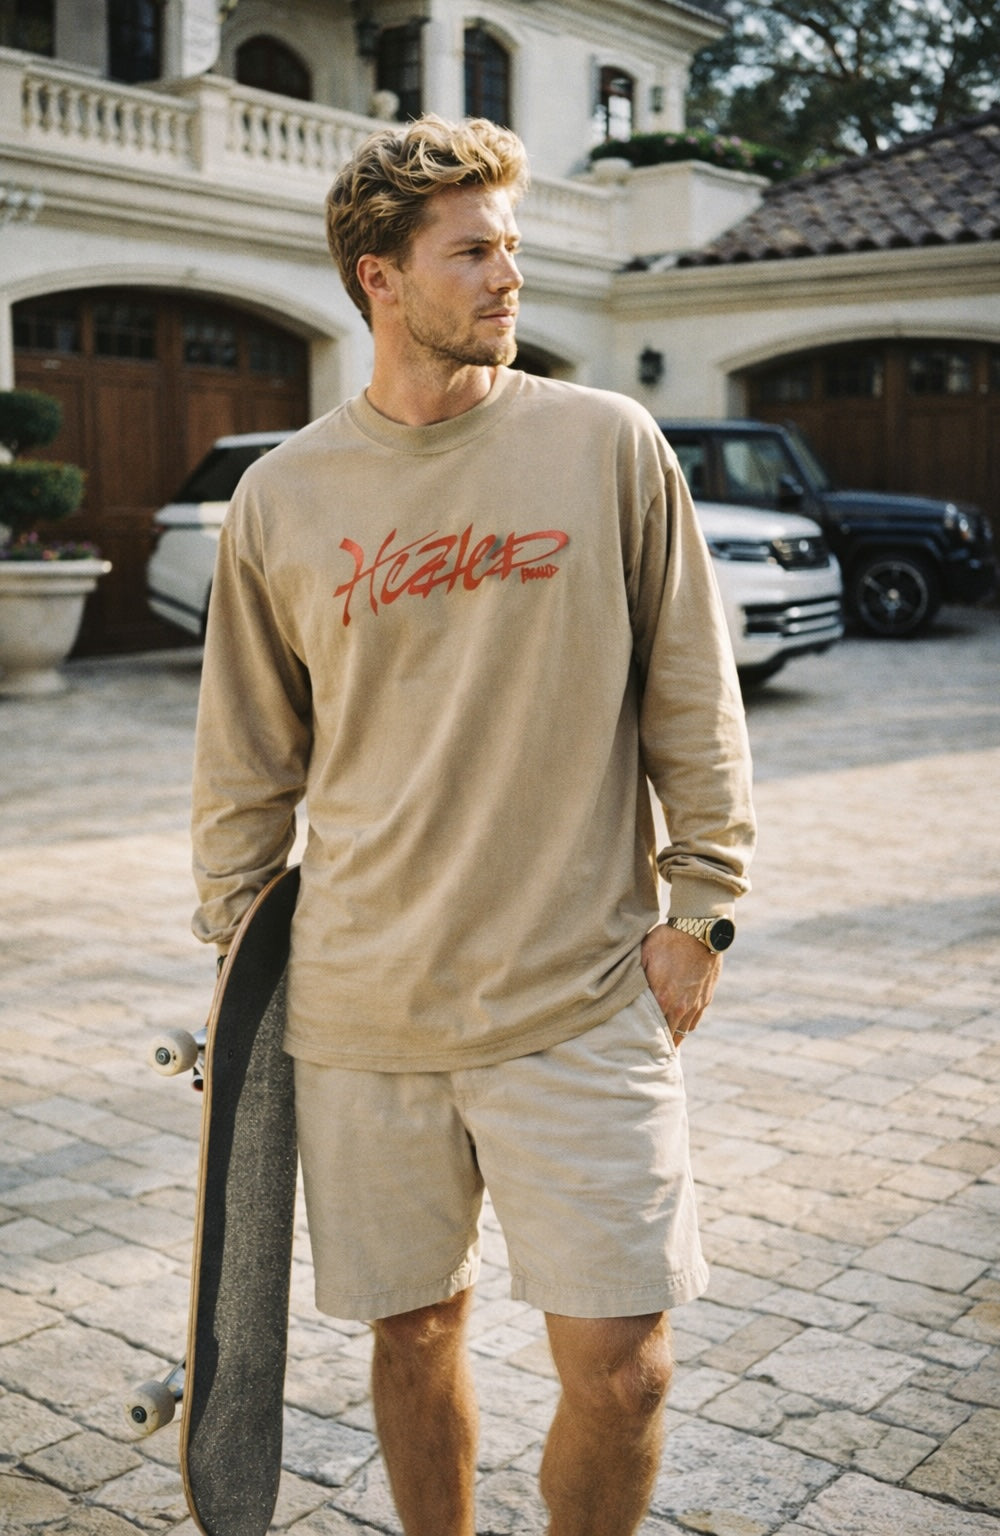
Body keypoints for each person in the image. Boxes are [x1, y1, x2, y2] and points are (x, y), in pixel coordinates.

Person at [191, 114, 755, 1536]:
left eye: (514, 247)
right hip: (363, 1004)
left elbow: (694, 692)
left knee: (626, 1372)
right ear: (378, 277)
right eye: (474, 253)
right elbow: (246, 761)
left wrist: (700, 911)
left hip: (580, 993)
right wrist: (236, 956)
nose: (510, 278)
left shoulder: (607, 445)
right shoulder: (283, 497)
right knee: (412, 1337)